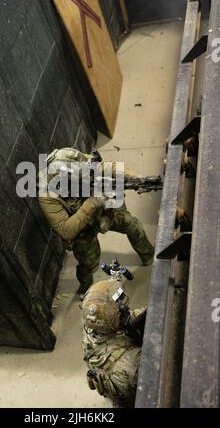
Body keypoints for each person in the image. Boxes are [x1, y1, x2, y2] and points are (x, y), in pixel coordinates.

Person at [38, 147, 154, 294]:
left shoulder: (74, 160)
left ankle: (150, 256)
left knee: (133, 225)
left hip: (102, 210)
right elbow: (65, 230)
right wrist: (93, 202)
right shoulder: (46, 194)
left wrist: (134, 178)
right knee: (89, 265)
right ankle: (86, 288)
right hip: (82, 229)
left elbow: (109, 167)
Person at [82, 278, 146, 408]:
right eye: (122, 311)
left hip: (114, 389)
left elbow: (129, 319)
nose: (127, 310)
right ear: (115, 319)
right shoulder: (133, 363)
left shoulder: (92, 326)